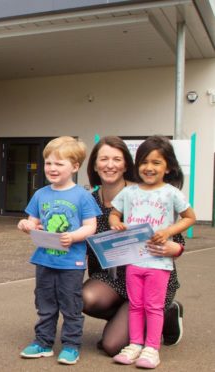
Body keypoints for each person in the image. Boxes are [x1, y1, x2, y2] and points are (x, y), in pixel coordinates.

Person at [83, 136, 185, 357]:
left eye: (116, 159)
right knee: (84, 298)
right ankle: (128, 318)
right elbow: (78, 241)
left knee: (111, 346)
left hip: (150, 274)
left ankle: (167, 312)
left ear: (127, 165)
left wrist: (175, 249)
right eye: (104, 159)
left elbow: (176, 239)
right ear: (94, 164)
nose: (110, 165)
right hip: (111, 279)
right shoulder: (87, 201)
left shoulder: (142, 194)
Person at [109, 136, 195, 368]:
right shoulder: (129, 193)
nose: (149, 167)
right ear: (137, 165)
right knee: (136, 305)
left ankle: (151, 348)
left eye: (156, 162)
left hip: (159, 262)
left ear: (169, 167)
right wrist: (116, 222)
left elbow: (190, 217)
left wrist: (168, 231)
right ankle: (135, 344)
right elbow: (114, 214)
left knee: (153, 306)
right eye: (144, 162)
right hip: (133, 261)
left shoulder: (172, 193)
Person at [17, 136, 101, 365]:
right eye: (48, 163)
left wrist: (73, 236)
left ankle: (71, 345)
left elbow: (91, 226)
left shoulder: (83, 196)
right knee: (44, 303)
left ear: (74, 167)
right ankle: (43, 343)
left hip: (71, 262)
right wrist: (26, 225)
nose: (52, 168)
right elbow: (32, 221)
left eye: (59, 163)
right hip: (44, 260)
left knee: (71, 304)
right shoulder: (40, 194)